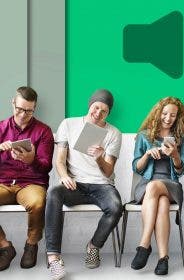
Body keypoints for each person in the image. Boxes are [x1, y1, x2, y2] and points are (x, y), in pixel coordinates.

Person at [45, 89, 123, 279]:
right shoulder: (68, 124)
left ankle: (93, 246)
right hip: (75, 184)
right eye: (96, 108)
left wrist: (99, 158)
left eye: (104, 111)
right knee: (54, 193)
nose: (98, 113)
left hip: (102, 185)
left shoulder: (114, 133)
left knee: (115, 206)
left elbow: (109, 171)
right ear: (90, 105)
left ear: (108, 113)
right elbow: (60, 161)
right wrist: (64, 176)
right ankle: (53, 257)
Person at [130, 97, 184, 275]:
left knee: (155, 186)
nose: (168, 118)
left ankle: (144, 244)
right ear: (158, 113)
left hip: (171, 185)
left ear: (178, 117)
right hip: (146, 185)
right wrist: (147, 155)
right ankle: (163, 258)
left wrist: (174, 155)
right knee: (162, 202)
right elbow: (136, 167)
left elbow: (182, 171)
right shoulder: (144, 135)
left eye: (173, 115)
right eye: (165, 114)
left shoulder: (181, 139)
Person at [0, 86, 54, 270]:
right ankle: (5, 247)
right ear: (13, 103)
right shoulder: (0, 128)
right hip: (3, 182)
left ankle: (31, 245)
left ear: (34, 108)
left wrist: (31, 160)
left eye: (29, 111)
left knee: (38, 202)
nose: (23, 114)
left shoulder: (44, 131)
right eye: (20, 109)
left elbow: (47, 166)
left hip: (32, 183)